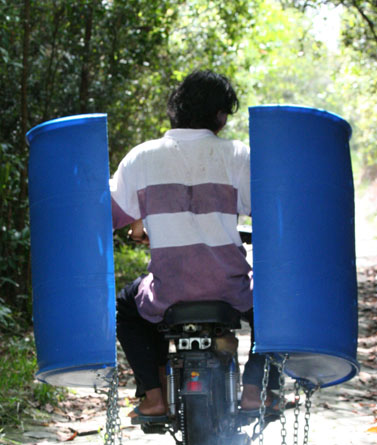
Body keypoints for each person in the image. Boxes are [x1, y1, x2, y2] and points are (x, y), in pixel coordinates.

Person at [110, 70, 280, 422]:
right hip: (230, 289)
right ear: (220, 115)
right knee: (278, 306)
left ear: (176, 108)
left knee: (127, 308)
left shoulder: (140, 157)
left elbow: (112, 216)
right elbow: (269, 212)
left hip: (168, 290)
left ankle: (154, 395)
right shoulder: (237, 154)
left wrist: (141, 223)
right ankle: (255, 391)